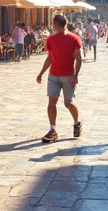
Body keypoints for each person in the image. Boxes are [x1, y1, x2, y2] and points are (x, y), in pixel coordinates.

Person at [37, 14, 83, 142]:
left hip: (68, 76)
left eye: (53, 23)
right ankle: (52, 129)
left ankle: (76, 122)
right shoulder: (51, 39)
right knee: (52, 102)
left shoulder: (73, 39)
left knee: (68, 103)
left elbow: (78, 59)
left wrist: (75, 76)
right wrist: (41, 73)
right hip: (54, 75)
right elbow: (50, 58)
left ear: (55, 24)